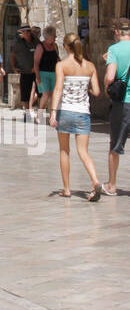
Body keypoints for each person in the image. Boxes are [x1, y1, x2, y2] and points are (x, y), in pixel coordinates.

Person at [50, 35, 101, 201]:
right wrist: (86, 90)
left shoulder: (62, 65)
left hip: (66, 111)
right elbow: (97, 92)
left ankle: (66, 189)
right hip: (83, 113)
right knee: (83, 152)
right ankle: (95, 181)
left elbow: (58, 89)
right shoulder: (90, 66)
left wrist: (52, 112)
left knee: (64, 151)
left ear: (66, 47)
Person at [103, 18, 130, 196]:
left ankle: (112, 185)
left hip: (123, 104)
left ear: (116, 32)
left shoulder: (113, 50)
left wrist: (106, 87)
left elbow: (111, 77)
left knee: (115, 146)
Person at [32, 25, 60, 125]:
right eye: (54, 35)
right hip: (43, 73)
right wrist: (37, 76)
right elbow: (36, 62)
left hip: (54, 73)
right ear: (49, 36)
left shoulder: (55, 46)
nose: (55, 37)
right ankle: (39, 114)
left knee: (53, 95)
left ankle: (52, 116)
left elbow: (57, 59)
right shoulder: (40, 46)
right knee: (46, 94)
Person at [10, 25, 37, 120]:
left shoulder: (36, 41)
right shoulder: (18, 43)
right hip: (25, 72)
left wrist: (37, 66)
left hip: (36, 72)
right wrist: (14, 67)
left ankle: (40, 115)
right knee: (25, 94)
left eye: (26, 31)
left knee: (41, 93)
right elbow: (12, 54)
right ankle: (27, 114)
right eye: (22, 32)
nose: (24, 33)